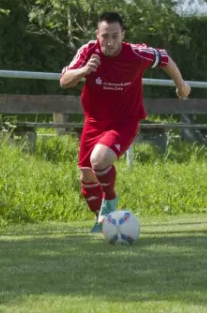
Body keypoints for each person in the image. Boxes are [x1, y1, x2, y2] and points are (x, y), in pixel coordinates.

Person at [60, 12, 191, 233]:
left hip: (124, 121)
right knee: (87, 179)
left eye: (114, 36)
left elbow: (165, 59)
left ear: (123, 34)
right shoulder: (88, 51)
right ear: (97, 35)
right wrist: (84, 70)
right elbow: (64, 81)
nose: (109, 42)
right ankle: (105, 222)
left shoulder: (137, 54)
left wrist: (181, 85)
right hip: (93, 122)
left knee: (99, 160)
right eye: (104, 36)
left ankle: (110, 199)